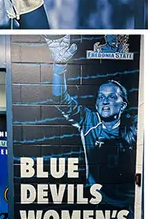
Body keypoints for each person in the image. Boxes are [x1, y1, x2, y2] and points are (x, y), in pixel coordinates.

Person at [45, 34, 138, 208]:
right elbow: (60, 99)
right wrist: (59, 67)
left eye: (112, 97)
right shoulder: (89, 120)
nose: (105, 101)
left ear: (123, 105)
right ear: (96, 104)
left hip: (130, 204)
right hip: (98, 202)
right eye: (101, 97)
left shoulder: (134, 125)